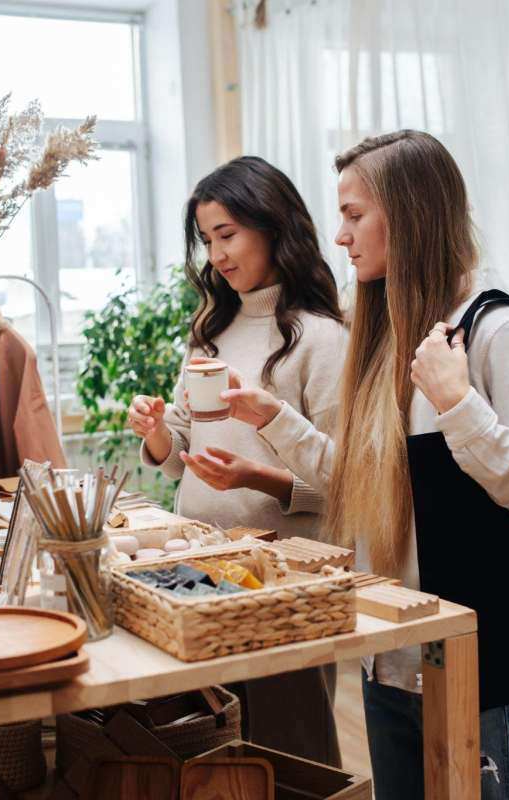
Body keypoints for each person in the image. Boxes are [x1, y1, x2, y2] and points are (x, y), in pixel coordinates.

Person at [211, 131, 509, 799]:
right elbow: (364, 482)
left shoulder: (494, 332)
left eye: (354, 215)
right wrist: (274, 418)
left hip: (480, 670)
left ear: (409, 215)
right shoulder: (385, 339)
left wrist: (457, 401)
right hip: (393, 658)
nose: (341, 237)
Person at [128, 155, 348, 767]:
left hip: (283, 577)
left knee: (293, 746)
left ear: (274, 227)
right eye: (207, 240)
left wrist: (254, 475)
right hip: (197, 566)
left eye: (227, 235)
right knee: (215, 742)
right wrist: (156, 433)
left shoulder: (320, 337)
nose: (217, 255)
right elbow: (178, 454)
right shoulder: (210, 329)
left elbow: (344, 478)